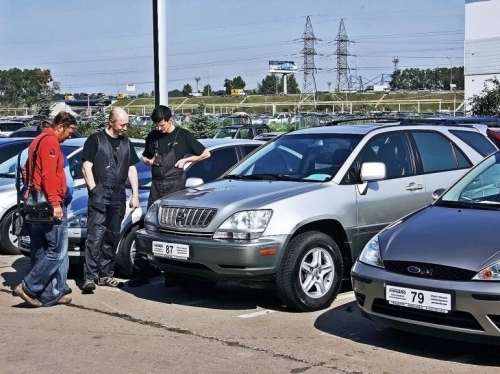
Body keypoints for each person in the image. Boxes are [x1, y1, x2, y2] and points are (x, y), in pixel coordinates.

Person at [128, 105, 210, 287]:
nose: (159, 128)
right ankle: (143, 272)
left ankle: (174, 275)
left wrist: (187, 159)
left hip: (176, 187)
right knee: (149, 227)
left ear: (170, 120)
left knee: (173, 231)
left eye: (162, 125)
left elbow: (206, 153)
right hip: (156, 186)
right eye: (157, 125)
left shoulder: (184, 136)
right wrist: (148, 161)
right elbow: (144, 158)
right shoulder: (153, 136)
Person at [12, 112, 77, 307]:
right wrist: (55, 203)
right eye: (70, 131)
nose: (70, 136)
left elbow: (26, 170)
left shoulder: (36, 141)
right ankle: (29, 287)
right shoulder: (50, 142)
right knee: (56, 251)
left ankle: (48, 295)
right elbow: (49, 175)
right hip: (48, 206)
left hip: (34, 204)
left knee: (41, 250)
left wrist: (32, 189)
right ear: (60, 127)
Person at [81, 107, 140, 293]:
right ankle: (90, 277)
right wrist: (94, 190)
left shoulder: (126, 142)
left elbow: (131, 169)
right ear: (111, 121)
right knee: (95, 235)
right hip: (101, 191)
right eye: (122, 124)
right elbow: (86, 167)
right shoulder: (95, 140)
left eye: (126, 125)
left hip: (119, 193)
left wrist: (135, 195)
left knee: (113, 234)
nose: (124, 128)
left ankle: (106, 274)